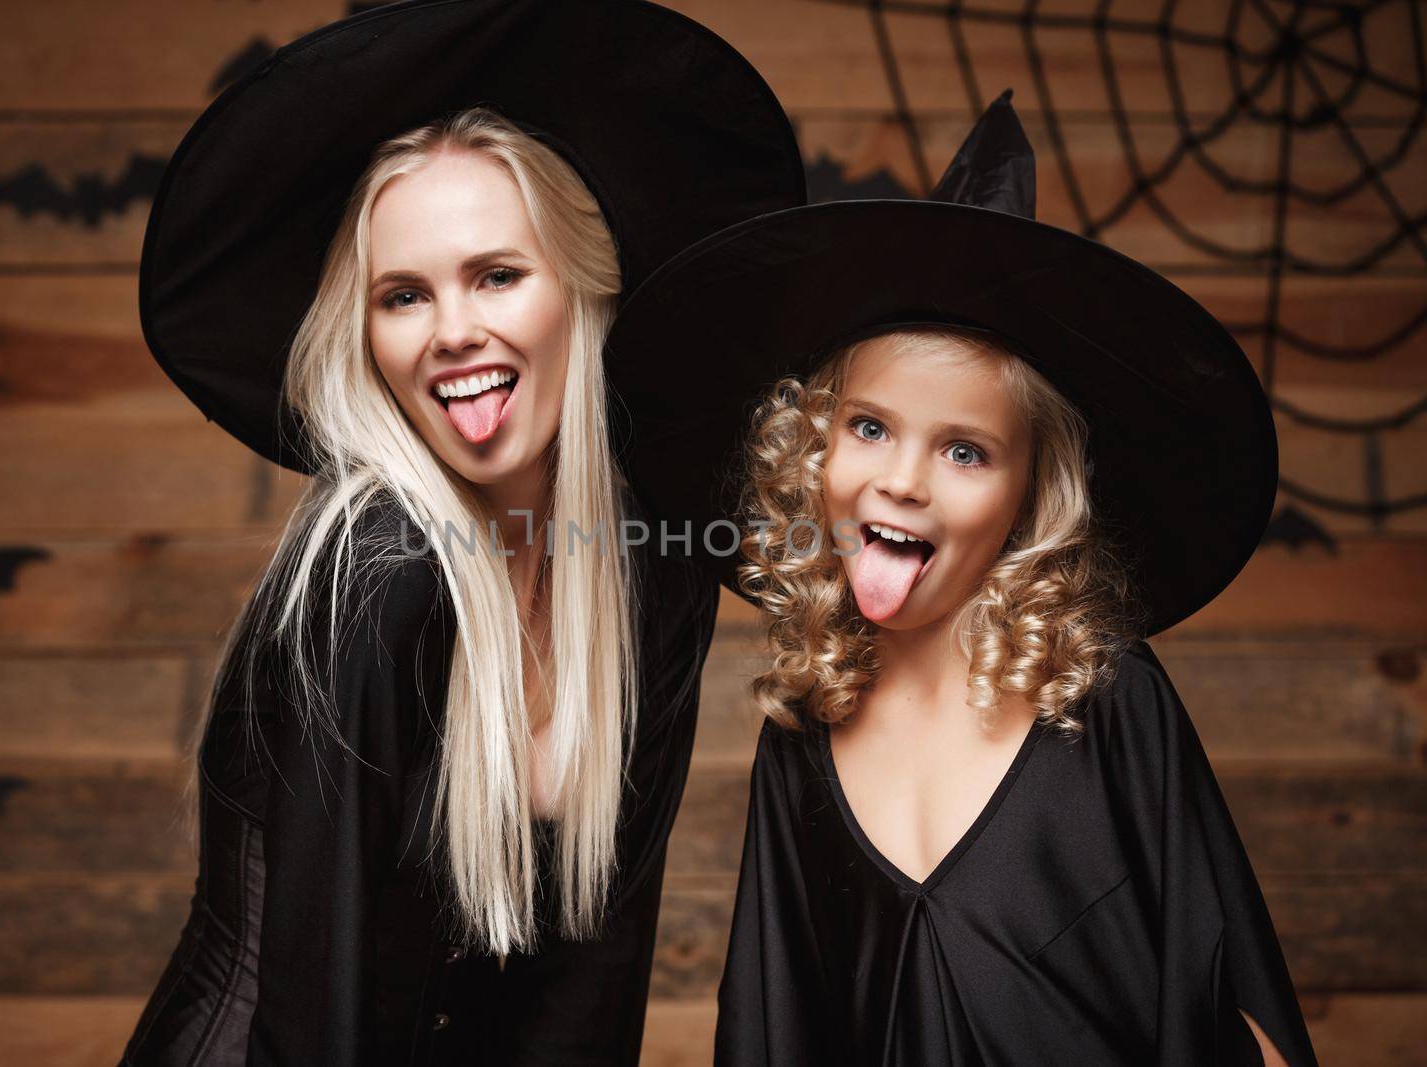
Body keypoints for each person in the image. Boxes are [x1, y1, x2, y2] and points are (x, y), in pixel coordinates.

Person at [119, 1, 805, 1063]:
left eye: (496, 274)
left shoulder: (649, 568)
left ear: (584, 289)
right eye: (403, 295)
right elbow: (318, 1014)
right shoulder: (374, 578)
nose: (452, 332)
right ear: (366, 334)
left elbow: (594, 966)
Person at [605, 92, 1320, 1065]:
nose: (901, 478)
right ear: (810, 444)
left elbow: (1229, 1000)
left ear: (1033, 493)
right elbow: (771, 1029)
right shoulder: (807, 730)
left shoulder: (1103, 698)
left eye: (965, 450)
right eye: (868, 427)